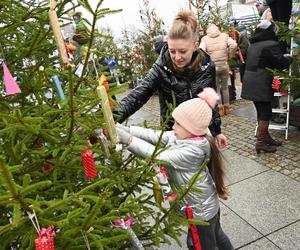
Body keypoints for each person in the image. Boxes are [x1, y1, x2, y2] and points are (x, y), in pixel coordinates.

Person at [116, 87, 234, 250]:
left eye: (178, 123)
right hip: (205, 206)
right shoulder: (185, 136)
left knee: (200, 245)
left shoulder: (192, 150)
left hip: (200, 212)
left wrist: (128, 140)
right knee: (217, 235)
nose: (173, 127)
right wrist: (128, 130)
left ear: (192, 128)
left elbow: (157, 155)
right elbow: (156, 136)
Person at [114, 10, 227, 148]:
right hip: (174, 136)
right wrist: (110, 119)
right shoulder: (161, 68)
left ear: (195, 46)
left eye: (183, 51)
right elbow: (137, 95)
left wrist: (217, 131)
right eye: (172, 51)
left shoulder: (207, 66)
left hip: (202, 134)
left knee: (207, 169)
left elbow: (211, 103)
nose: (177, 57)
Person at [241, 20, 292, 154]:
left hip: (250, 80)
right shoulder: (271, 44)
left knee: (260, 111)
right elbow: (280, 63)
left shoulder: (253, 44)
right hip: (260, 82)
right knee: (266, 113)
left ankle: (266, 138)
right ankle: (261, 143)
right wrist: (289, 58)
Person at [200, 24, 237, 116]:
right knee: (225, 87)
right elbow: (234, 44)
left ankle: (220, 108)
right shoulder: (224, 36)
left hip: (213, 67)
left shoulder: (205, 39)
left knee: (216, 88)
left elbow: (201, 50)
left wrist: (208, 60)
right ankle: (227, 107)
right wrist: (230, 54)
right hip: (224, 65)